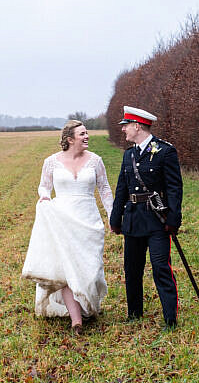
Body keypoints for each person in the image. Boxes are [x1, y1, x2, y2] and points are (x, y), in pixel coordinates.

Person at [21, 120, 112, 332]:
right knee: (66, 269)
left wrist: (112, 215)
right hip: (62, 220)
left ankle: (88, 304)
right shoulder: (51, 162)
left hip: (88, 221)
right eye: (82, 134)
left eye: (87, 132)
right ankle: (76, 320)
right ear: (70, 139)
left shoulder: (96, 161)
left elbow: (105, 189)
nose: (87, 136)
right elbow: (44, 187)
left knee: (90, 269)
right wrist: (44, 198)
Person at [109, 106, 183, 328]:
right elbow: (122, 189)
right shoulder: (128, 155)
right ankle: (134, 313)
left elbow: (174, 189)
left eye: (126, 126)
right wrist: (116, 217)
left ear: (137, 126)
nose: (124, 131)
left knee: (161, 267)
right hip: (132, 219)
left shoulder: (165, 151)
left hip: (157, 220)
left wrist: (173, 219)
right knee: (132, 268)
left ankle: (170, 318)